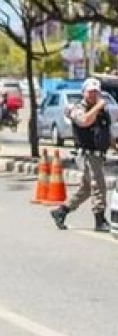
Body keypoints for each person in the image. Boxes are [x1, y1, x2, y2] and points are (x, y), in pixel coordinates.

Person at [51, 78, 114, 232]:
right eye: (90, 91)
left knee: (86, 189)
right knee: (98, 185)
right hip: (87, 155)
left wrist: (113, 144)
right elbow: (84, 121)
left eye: (96, 92)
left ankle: (61, 211)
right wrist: (98, 106)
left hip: (98, 154)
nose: (93, 95)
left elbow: (107, 132)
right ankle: (100, 220)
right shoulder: (77, 108)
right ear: (84, 92)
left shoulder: (102, 112)